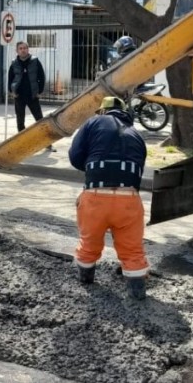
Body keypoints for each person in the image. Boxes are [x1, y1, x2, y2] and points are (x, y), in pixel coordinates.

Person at [68, 96, 149, 300]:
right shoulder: (137, 135)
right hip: (129, 199)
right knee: (132, 249)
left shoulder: (93, 122)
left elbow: (75, 156)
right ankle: (137, 294)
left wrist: (93, 167)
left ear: (102, 111)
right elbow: (138, 167)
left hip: (96, 198)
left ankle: (86, 281)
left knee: (89, 242)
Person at [7, 41, 55, 151]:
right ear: (17, 51)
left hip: (32, 96)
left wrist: (40, 91)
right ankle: (22, 143)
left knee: (40, 120)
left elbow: (41, 76)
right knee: (20, 121)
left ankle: (47, 143)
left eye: (25, 48)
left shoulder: (35, 61)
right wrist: (11, 91)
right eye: (20, 48)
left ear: (28, 49)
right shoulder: (14, 63)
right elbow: (10, 78)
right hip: (19, 96)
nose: (23, 50)